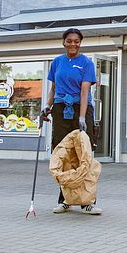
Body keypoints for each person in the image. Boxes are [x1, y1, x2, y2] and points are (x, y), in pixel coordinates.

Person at [47, 28, 102, 215]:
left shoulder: (86, 63)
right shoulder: (57, 62)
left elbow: (85, 91)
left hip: (81, 108)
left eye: (77, 41)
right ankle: (64, 201)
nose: (73, 44)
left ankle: (89, 201)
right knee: (63, 155)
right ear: (63, 42)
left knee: (84, 155)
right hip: (61, 109)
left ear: (80, 43)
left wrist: (82, 117)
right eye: (69, 41)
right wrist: (46, 108)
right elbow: (53, 88)